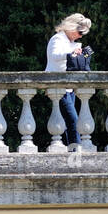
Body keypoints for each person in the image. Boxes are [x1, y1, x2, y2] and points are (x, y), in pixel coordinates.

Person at [44, 13, 92, 147]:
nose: (80, 36)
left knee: (67, 121)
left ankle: (70, 148)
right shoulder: (57, 39)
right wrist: (71, 54)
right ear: (71, 27)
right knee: (73, 120)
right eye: (79, 32)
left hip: (68, 87)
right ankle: (75, 150)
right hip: (57, 86)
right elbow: (54, 55)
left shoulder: (71, 43)